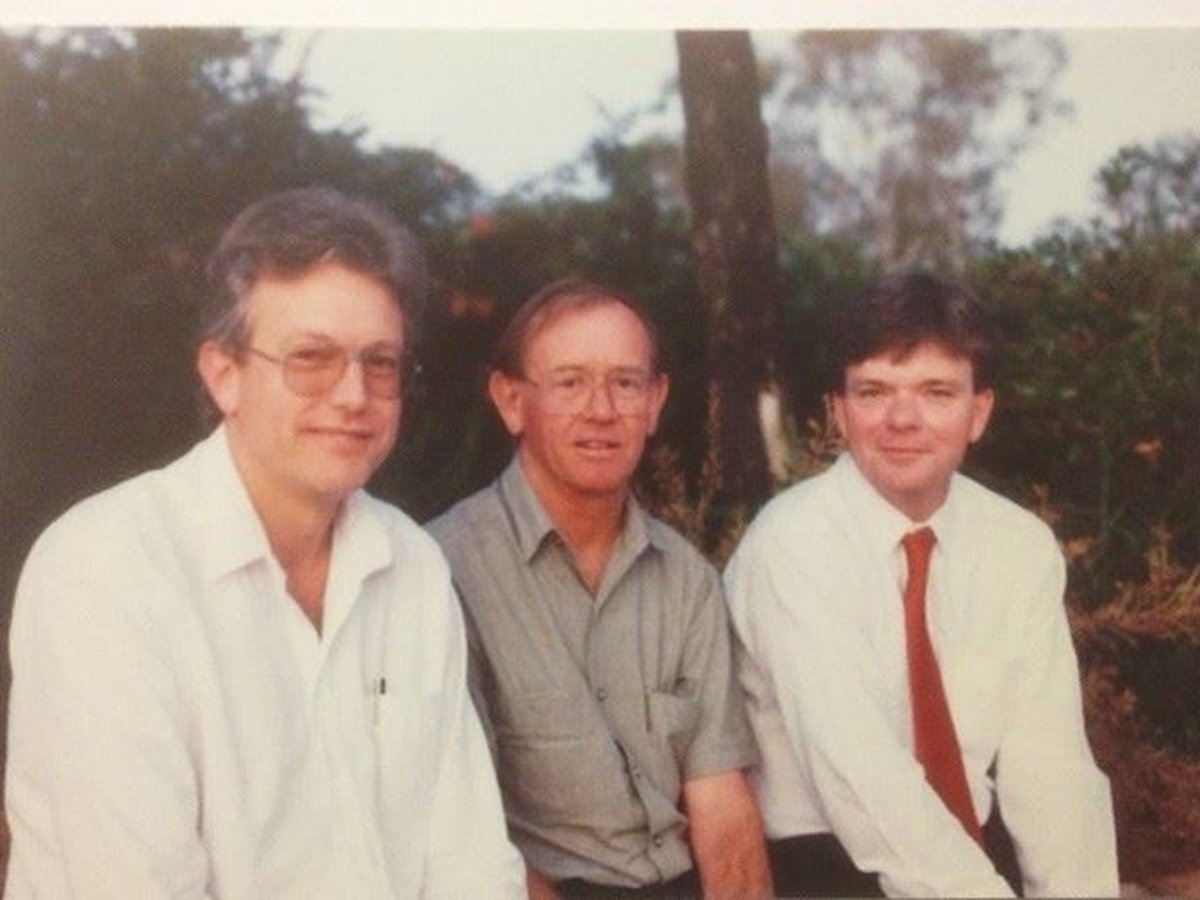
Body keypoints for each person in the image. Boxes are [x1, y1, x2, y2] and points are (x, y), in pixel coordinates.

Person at [4, 187, 524, 898]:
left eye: (380, 362)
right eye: (312, 358)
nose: (352, 395)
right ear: (225, 375)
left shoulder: (411, 563)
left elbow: (469, 864)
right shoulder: (105, 570)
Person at [724, 271, 1118, 897]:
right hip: (830, 865)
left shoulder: (1017, 546)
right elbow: (857, 774)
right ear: (838, 412)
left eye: (937, 392)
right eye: (875, 391)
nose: (903, 419)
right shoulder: (793, 544)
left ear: (979, 411)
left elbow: (1051, 770)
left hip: (970, 854)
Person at [429, 279, 772, 899]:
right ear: (510, 400)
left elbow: (722, 808)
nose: (602, 410)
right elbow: (460, 834)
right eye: (569, 382)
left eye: (626, 382)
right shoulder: (441, 572)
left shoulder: (686, 579)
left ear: (656, 401)